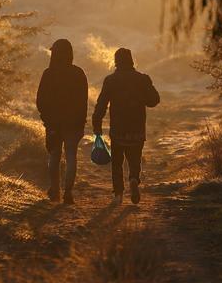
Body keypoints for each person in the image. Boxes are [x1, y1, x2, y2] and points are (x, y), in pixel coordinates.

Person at [92, 48, 160, 205]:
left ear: (116, 62)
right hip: (137, 127)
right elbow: (154, 100)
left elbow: (101, 104)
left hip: (118, 128)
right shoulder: (142, 79)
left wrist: (97, 123)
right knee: (135, 159)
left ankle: (118, 194)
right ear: (131, 60)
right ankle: (134, 179)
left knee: (117, 162)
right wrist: (139, 97)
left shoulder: (110, 80)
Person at [35, 38, 88, 204]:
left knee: (54, 156)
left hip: (54, 123)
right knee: (71, 156)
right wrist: (81, 122)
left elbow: (40, 100)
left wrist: (47, 119)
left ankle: (55, 191)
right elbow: (83, 101)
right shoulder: (78, 73)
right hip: (73, 123)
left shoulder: (48, 74)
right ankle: (68, 193)